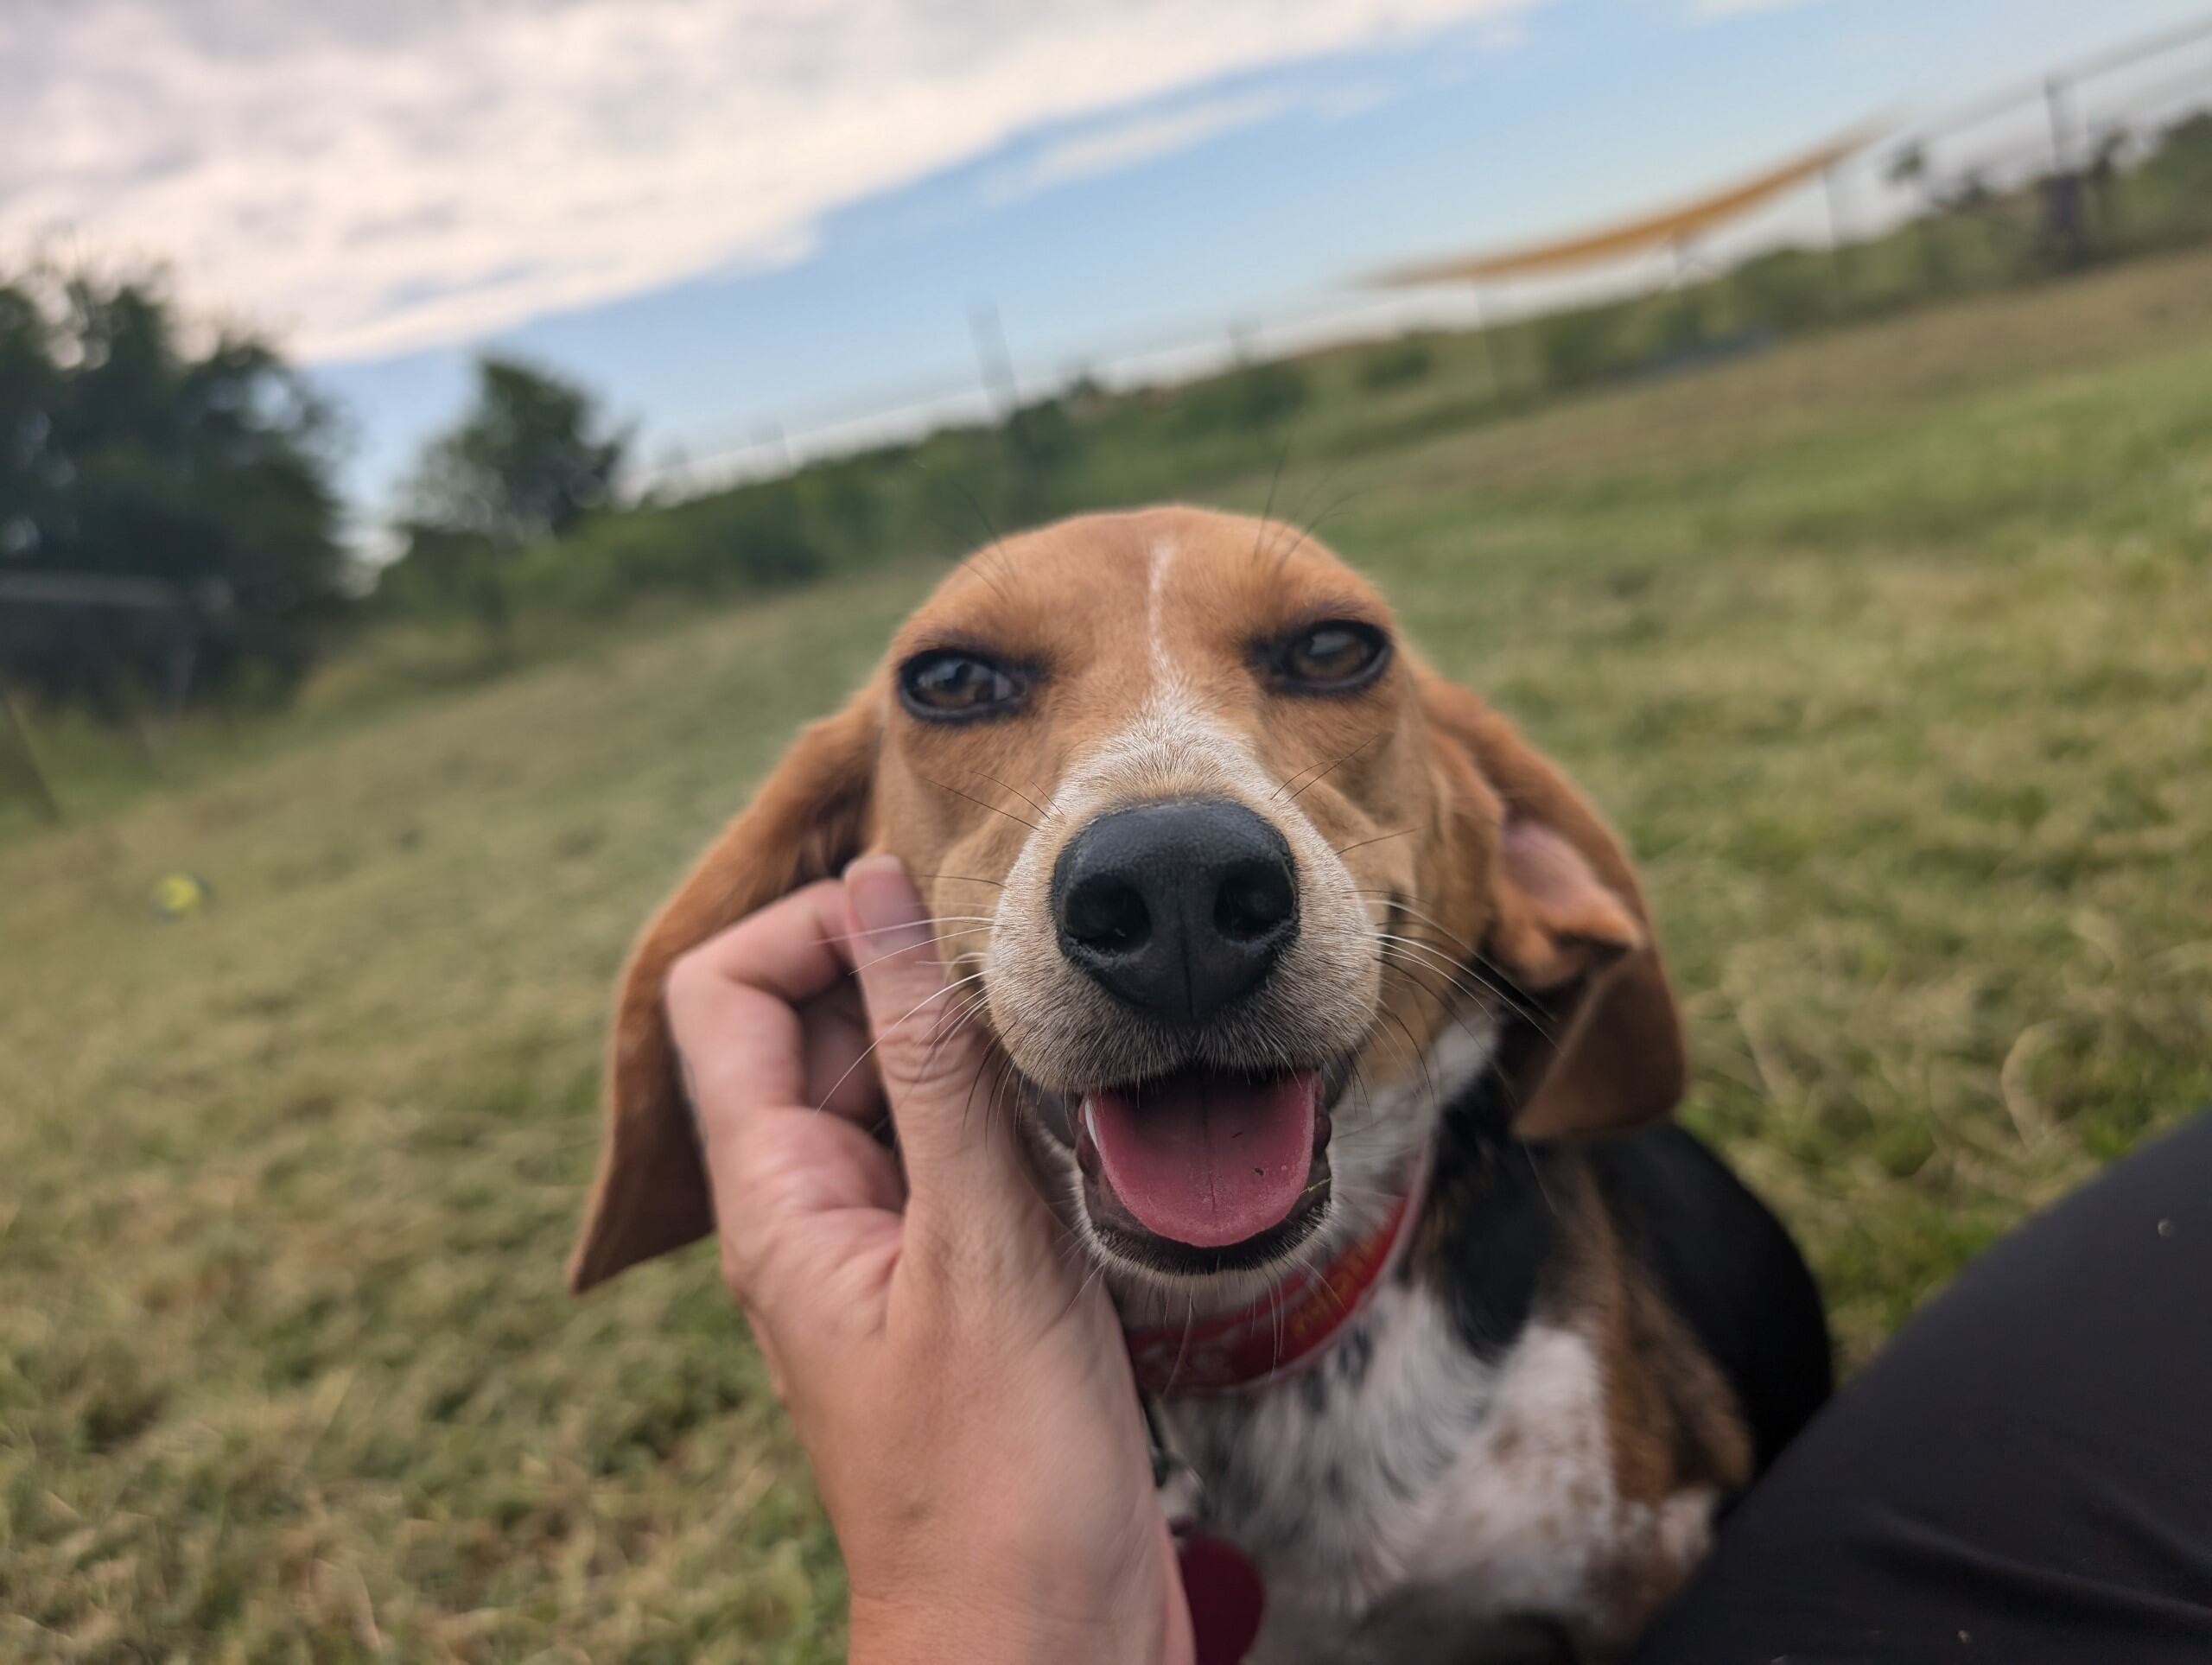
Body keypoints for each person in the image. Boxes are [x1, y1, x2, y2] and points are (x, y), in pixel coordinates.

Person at [677, 856, 2212, 1665]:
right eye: (967, 688)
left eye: (1323, 655)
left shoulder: (1563, 1400)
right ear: (837, 868)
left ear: (1513, 862)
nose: (1168, 844)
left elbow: (1651, 1553)